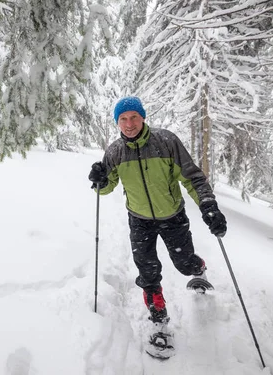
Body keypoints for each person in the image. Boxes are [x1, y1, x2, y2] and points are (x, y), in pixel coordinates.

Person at [88, 96, 227, 325]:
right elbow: (105, 188)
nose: (129, 124)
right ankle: (159, 317)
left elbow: (192, 178)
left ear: (143, 117)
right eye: (123, 119)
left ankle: (198, 268)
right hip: (139, 221)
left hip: (173, 217)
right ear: (117, 122)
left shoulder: (166, 141)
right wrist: (98, 180)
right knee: (148, 272)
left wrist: (208, 204)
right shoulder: (115, 152)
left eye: (134, 117)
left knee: (184, 263)